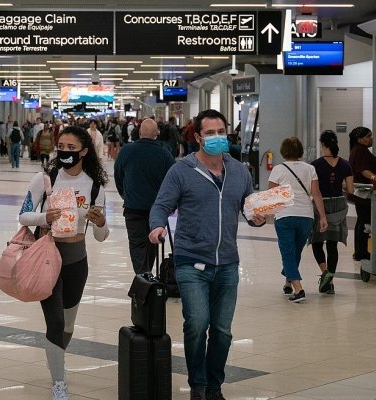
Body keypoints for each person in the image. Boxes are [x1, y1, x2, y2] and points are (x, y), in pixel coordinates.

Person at [148, 109, 266, 400]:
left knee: (223, 331)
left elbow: (250, 211)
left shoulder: (240, 171)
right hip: (190, 261)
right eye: (210, 133)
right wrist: (157, 226)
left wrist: (259, 218)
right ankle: (198, 386)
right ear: (198, 137)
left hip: (227, 263)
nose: (217, 138)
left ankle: (215, 387)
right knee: (197, 324)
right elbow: (161, 205)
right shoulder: (181, 170)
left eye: (221, 132)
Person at [17, 125, 109, 400]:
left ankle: (56, 356)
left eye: (71, 148)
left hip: (77, 261)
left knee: (68, 327)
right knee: (55, 324)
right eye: (61, 147)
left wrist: (101, 222)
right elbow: (23, 216)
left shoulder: (94, 186)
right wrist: (46, 217)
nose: (65, 152)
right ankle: (59, 381)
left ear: (84, 151)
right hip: (47, 258)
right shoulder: (45, 179)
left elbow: (101, 236)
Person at [268, 137, 327, 303]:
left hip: (285, 215)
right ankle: (288, 281)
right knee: (295, 251)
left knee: (288, 251)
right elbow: (316, 194)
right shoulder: (310, 169)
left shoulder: (278, 169)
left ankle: (298, 288)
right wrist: (322, 216)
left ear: (283, 151)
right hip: (306, 216)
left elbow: (271, 195)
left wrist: (267, 214)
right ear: (300, 151)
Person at [115, 118, 175, 275]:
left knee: (136, 244)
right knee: (152, 242)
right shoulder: (165, 154)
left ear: (140, 132)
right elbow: (173, 183)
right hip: (157, 210)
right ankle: (146, 276)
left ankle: (142, 277)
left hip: (133, 208)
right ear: (157, 133)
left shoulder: (126, 151)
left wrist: (125, 194)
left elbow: (118, 176)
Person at [310, 130, 353, 295]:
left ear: (323, 145)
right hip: (338, 205)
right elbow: (350, 189)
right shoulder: (345, 164)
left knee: (317, 242)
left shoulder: (315, 165)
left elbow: (313, 190)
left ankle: (324, 272)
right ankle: (330, 283)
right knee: (332, 245)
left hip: (322, 204)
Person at [348, 127, 376, 261]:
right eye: (368, 136)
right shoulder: (360, 151)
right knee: (365, 222)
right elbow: (364, 170)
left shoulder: (358, 150)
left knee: (362, 221)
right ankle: (362, 252)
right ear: (360, 139)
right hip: (365, 194)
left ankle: (360, 251)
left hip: (363, 194)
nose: (371, 138)